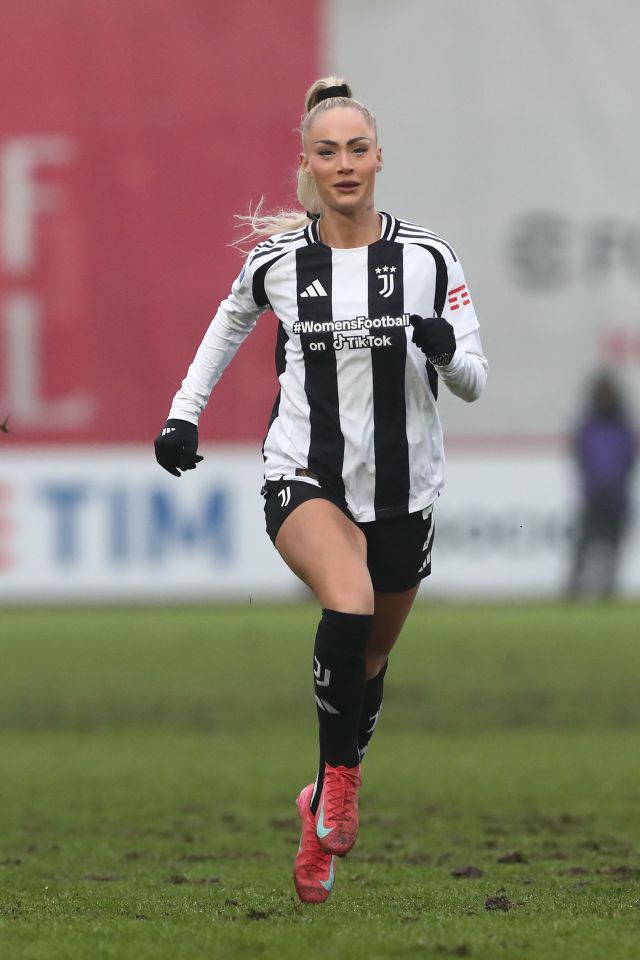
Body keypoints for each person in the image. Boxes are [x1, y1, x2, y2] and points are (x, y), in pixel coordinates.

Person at [154, 76, 488, 904]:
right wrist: (182, 417)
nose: (345, 164)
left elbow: (475, 379)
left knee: (371, 657)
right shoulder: (278, 263)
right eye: (327, 151)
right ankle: (341, 784)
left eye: (358, 149)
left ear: (379, 158)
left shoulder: (428, 257)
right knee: (349, 608)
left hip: (405, 491)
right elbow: (228, 323)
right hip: (304, 474)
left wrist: (446, 351)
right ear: (305, 163)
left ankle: (319, 805)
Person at [566, 372, 636, 599]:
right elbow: (580, 454)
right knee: (584, 547)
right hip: (595, 494)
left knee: (612, 548)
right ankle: (575, 589)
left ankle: (608, 590)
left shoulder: (621, 425)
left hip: (615, 496)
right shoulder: (590, 424)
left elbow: (629, 458)